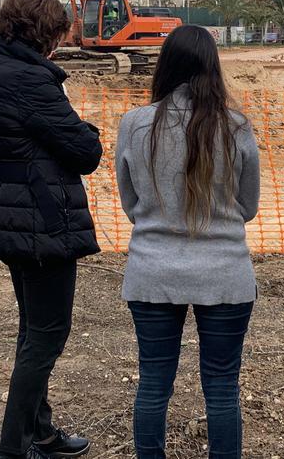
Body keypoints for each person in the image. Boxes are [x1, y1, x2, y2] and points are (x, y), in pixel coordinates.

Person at [0, 0, 102, 459]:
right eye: (57, 35)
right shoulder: (31, 80)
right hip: (41, 224)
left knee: (32, 330)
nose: (59, 45)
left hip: (7, 217)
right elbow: (86, 153)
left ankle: (41, 433)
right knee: (46, 336)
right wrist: (88, 127)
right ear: (44, 34)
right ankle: (13, 448)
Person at [115, 25, 261, 459]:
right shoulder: (236, 127)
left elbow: (130, 201)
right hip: (226, 274)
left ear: (165, 66)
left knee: (153, 383)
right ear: (213, 68)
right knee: (221, 386)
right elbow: (248, 206)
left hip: (152, 272)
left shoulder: (135, 124)